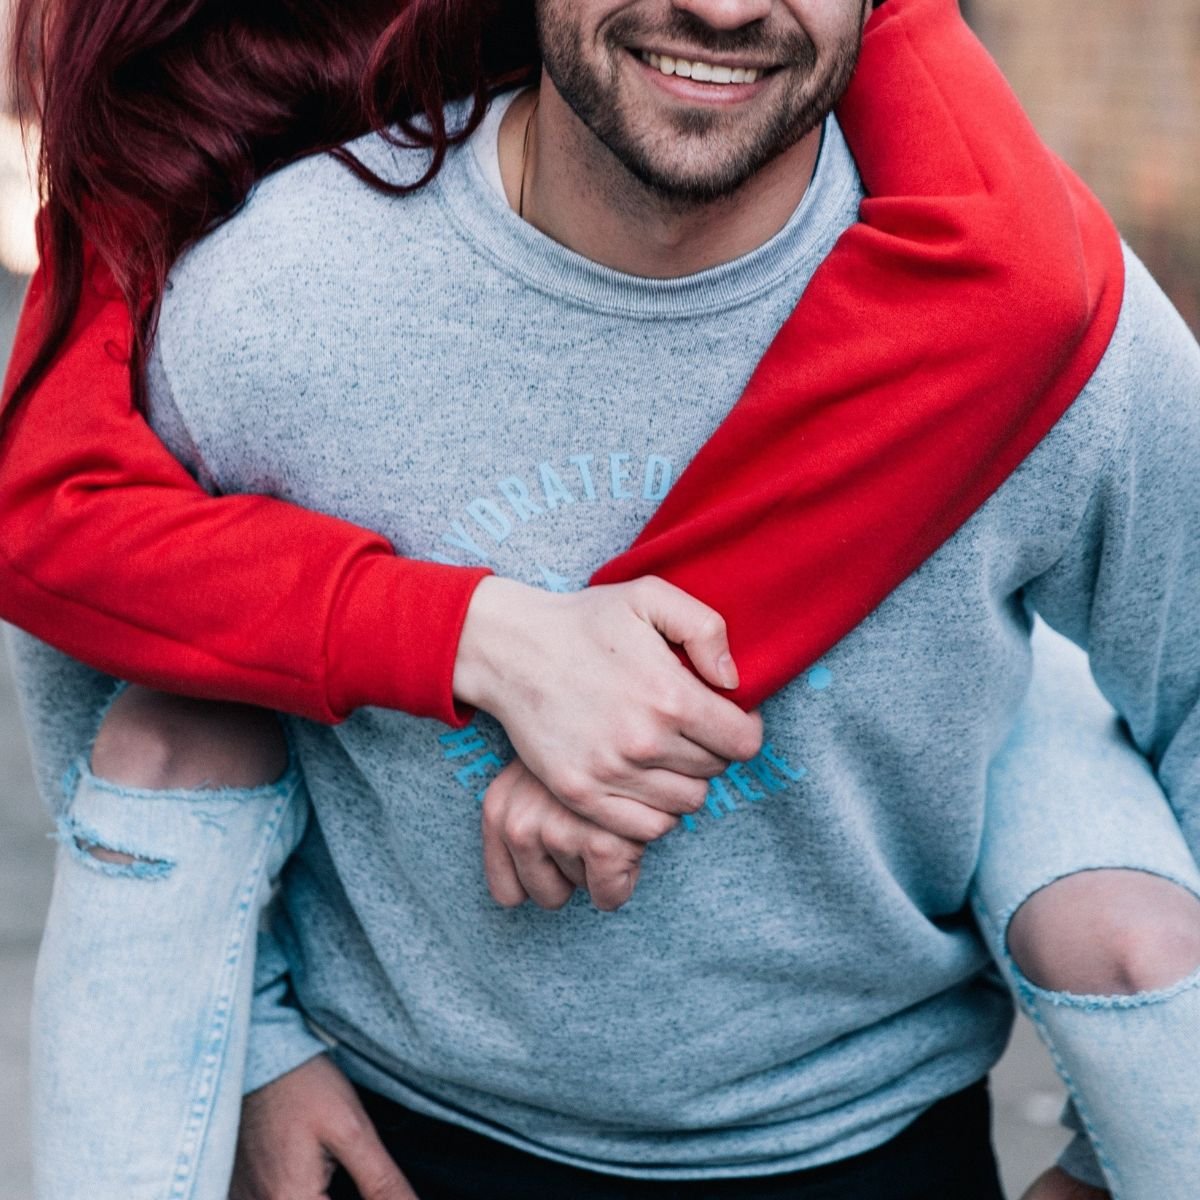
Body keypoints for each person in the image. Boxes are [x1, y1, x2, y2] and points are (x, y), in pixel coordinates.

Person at [5, 0, 1198, 1196]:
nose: (723, 9)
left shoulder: (1062, 327)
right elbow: (93, 637)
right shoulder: (274, 293)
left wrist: (1121, 1156)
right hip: (391, 1128)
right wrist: (253, 1043)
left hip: (872, 1135)